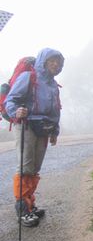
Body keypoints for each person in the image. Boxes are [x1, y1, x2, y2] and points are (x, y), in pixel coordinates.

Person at [5, 48, 64, 227]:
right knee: (25, 166)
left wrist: (55, 131)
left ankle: (30, 204)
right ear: (44, 61)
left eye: (59, 62)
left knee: (35, 167)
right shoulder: (28, 77)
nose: (56, 64)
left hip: (43, 128)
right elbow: (11, 100)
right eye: (52, 60)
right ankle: (22, 209)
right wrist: (17, 111)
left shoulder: (53, 85)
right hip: (26, 125)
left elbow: (55, 110)